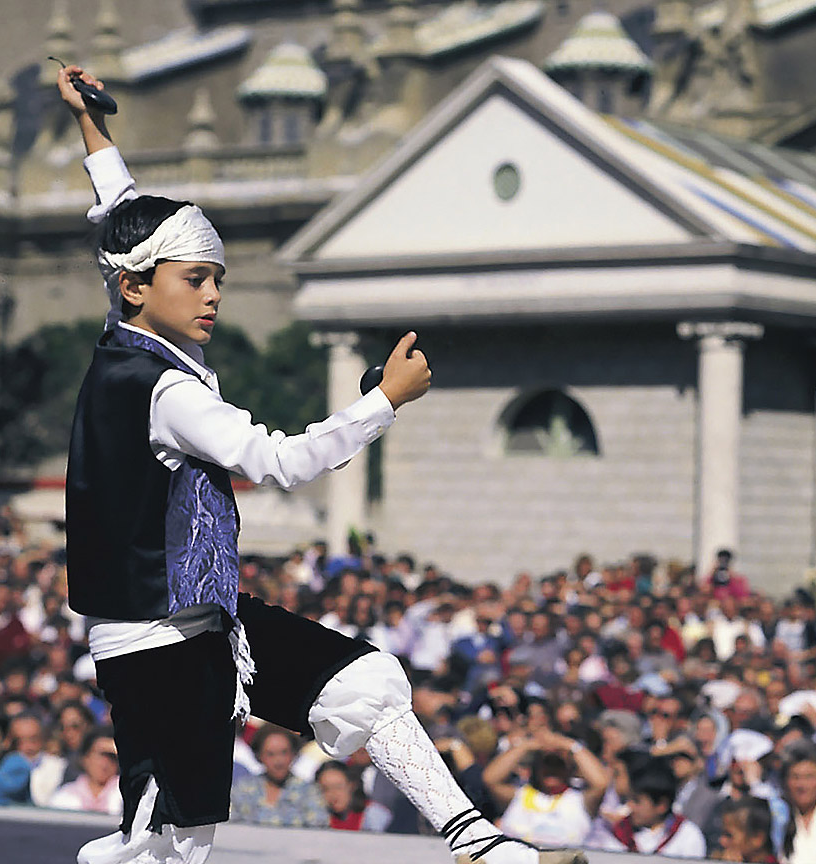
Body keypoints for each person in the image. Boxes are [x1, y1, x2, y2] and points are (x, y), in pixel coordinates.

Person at [53, 65, 579, 864]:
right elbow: (283, 462)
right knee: (168, 844)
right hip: (155, 642)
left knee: (367, 685)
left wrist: (92, 125)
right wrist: (384, 403)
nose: (213, 295)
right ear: (133, 287)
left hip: (211, 618)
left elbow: (122, 211)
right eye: (195, 278)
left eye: (219, 279)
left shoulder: (142, 338)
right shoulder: (163, 387)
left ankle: (478, 846)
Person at [586, 757, 708, 857]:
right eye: (630, 799)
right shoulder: (619, 833)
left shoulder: (687, 836)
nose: (630, 806)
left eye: (637, 801)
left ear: (661, 805)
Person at [230, 727, 327, 827]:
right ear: (259, 756)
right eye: (270, 754)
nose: (278, 761)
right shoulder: (243, 789)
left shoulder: (309, 792)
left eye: (284, 752)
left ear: (293, 754)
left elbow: (318, 830)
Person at [50, 728, 124, 815]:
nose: (105, 763)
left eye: (112, 757)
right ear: (85, 758)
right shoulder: (64, 796)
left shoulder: (126, 795)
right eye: (102, 755)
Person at [316, 759, 390, 832]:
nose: (333, 794)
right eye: (325, 789)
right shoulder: (320, 819)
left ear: (352, 785)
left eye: (338, 787)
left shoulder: (375, 815)